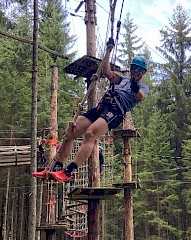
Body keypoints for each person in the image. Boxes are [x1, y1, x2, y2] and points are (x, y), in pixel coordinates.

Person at [32, 38, 149, 182]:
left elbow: (140, 96)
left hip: (115, 112)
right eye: (134, 68)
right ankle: (56, 168)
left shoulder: (143, 87)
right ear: (131, 68)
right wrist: (108, 50)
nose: (135, 71)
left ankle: (69, 172)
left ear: (143, 72)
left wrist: (135, 88)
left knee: (90, 133)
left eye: (139, 70)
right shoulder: (122, 79)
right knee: (70, 131)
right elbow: (106, 71)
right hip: (102, 106)